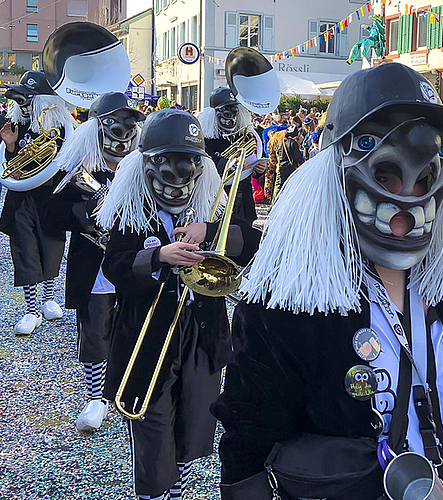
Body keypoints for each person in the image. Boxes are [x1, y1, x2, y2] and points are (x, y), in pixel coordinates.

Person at [214, 63, 443, 500]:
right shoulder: (285, 302)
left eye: (424, 181)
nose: (403, 215)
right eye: (384, 176)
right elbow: (247, 440)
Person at [97, 109, 260, 500]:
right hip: (146, 338)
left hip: (201, 340)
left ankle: (178, 492)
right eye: (167, 165)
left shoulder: (211, 208)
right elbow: (113, 266)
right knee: (153, 437)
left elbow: (254, 243)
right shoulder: (130, 213)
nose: (179, 177)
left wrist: (213, 230)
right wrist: (158, 257)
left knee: (194, 431)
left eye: (188, 165)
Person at [49, 92, 144, 434]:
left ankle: (128, 388)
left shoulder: (143, 167)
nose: (121, 135)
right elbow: (52, 212)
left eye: (127, 126)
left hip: (133, 262)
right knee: (94, 329)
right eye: (112, 126)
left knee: (134, 324)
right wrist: (85, 215)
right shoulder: (77, 167)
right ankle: (95, 396)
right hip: (93, 262)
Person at [0, 71, 77, 336]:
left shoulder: (64, 129)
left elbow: (68, 165)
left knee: (52, 248)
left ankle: (49, 298)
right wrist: (10, 148)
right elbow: (10, 165)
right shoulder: (17, 127)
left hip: (51, 199)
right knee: (25, 251)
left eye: (28, 100)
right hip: (21, 201)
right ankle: (31, 309)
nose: (23, 106)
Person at [197, 87, 266, 225]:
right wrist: (232, 165)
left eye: (235, 114)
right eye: (227, 115)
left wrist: (260, 169)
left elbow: (256, 160)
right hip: (217, 200)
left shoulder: (244, 136)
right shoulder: (206, 140)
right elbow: (205, 167)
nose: (232, 119)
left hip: (243, 201)